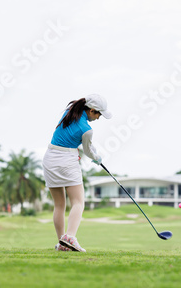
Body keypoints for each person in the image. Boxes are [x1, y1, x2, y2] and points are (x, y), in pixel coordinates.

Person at [42, 94, 112, 252]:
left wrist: (84, 152)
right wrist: (97, 158)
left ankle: (62, 243)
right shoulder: (87, 129)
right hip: (66, 161)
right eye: (99, 114)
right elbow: (88, 151)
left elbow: (70, 139)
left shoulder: (69, 113)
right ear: (92, 110)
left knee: (59, 205)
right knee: (78, 202)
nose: (99, 118)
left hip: (50, 158)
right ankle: (70, 236)